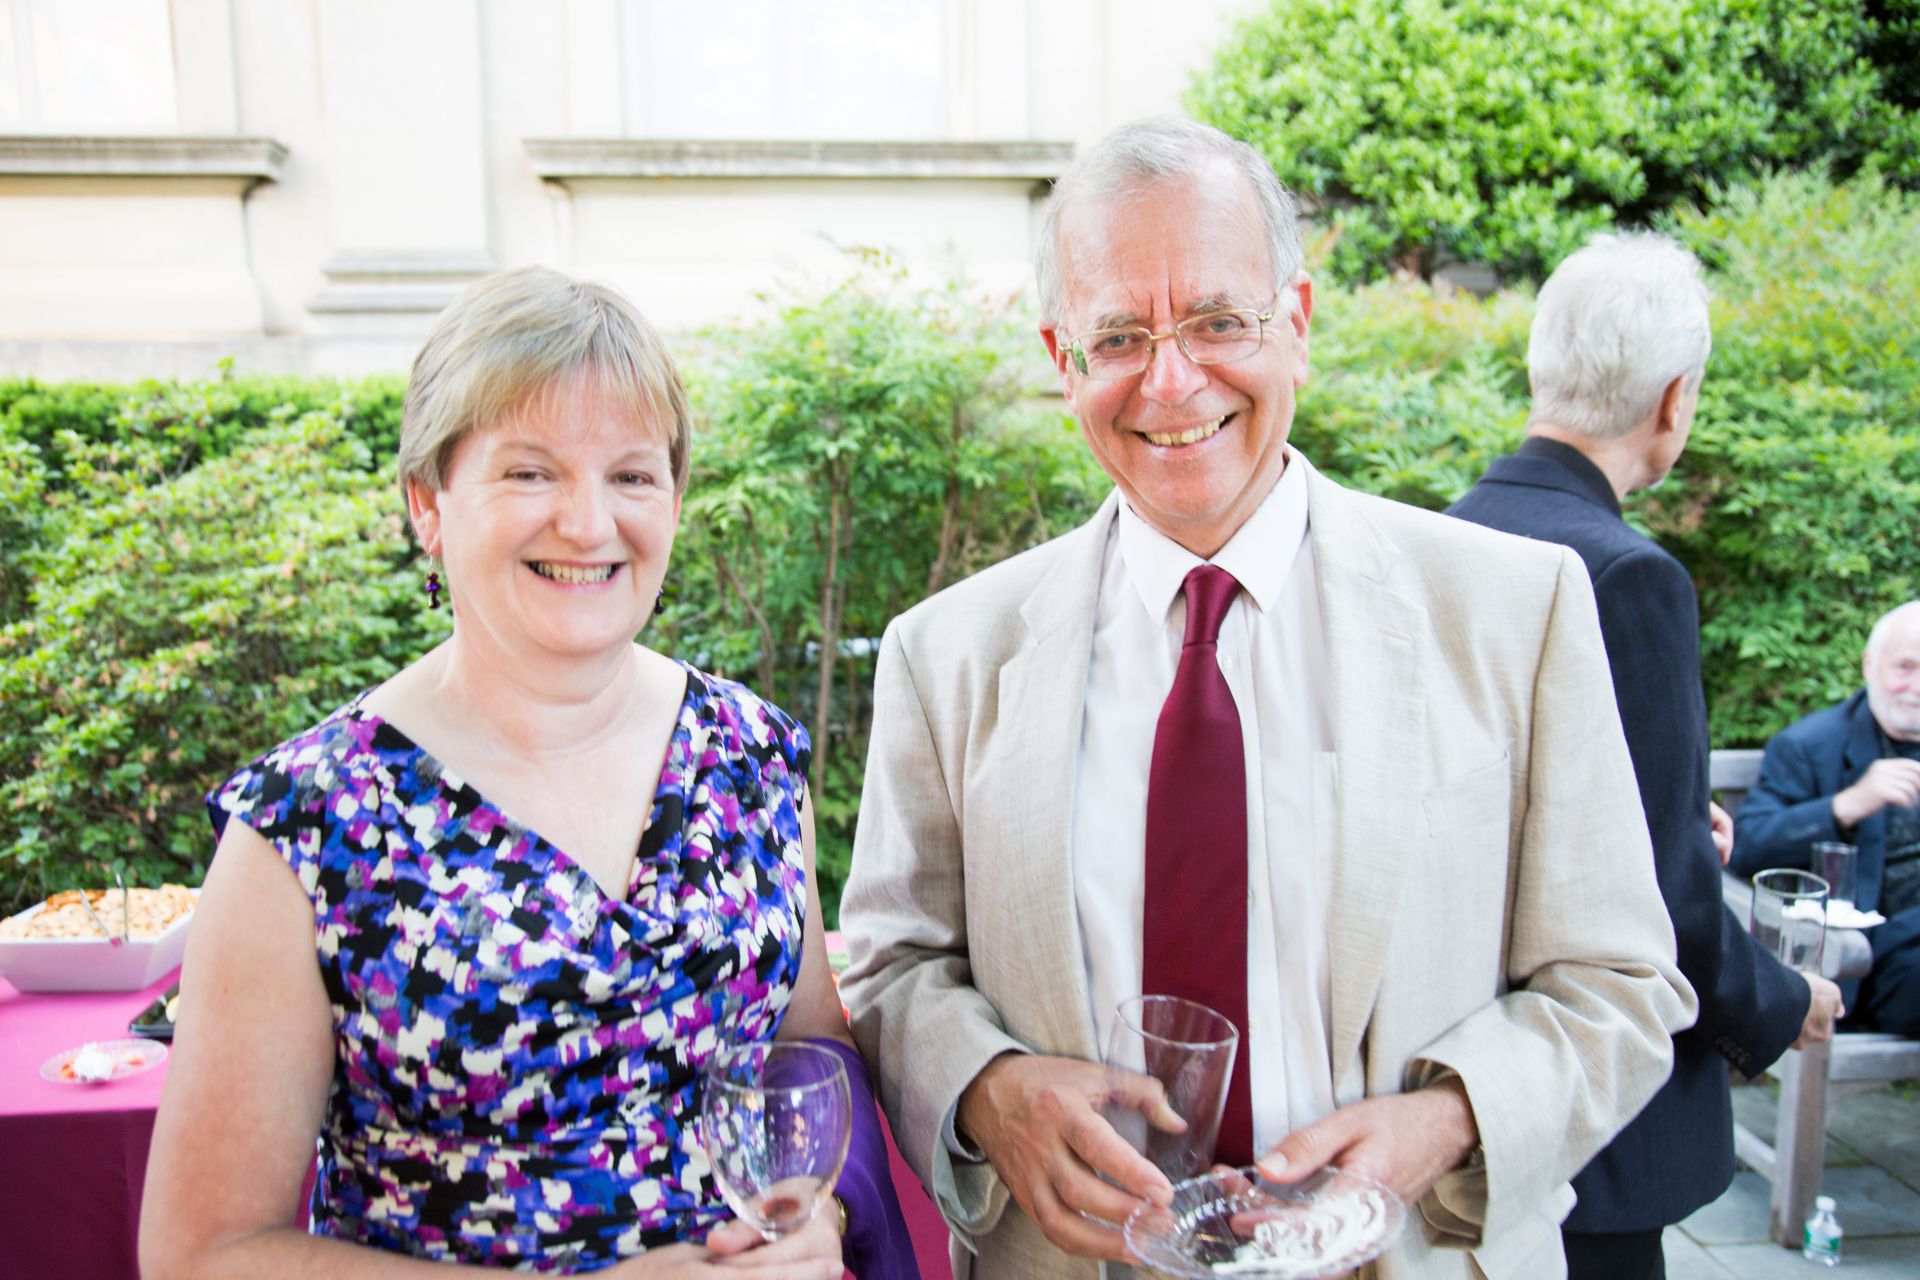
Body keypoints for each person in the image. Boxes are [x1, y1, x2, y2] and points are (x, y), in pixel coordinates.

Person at [837, 117, 1694, 1280]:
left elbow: (1621, 983)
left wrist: (1444, 1124)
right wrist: (987, 1089)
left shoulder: (1512, 609)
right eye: (1121, 334)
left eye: (1219, 321)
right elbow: (890, 969)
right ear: (1062, 357)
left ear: (1296, 323)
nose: (1173, 379)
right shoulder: (946, 655)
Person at [139, 267, 915, 1278]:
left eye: (632, 474)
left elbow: (810, 1046)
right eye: (530, 472)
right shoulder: (306, 825)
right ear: (429, 502)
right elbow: (204, 1251)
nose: (589, 523)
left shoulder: (750, 753)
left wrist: (823, 1208)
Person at [1446, 232, 1843, 1280]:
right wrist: (1781, 1002)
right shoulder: (1630, 575)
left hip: (1461, 1066)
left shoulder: (1440, 536)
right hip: (1593, 1112)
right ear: (1675, 400)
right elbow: (1660, 895)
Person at [1733, 600, 1920, 1037]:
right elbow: (1746, 847)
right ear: (1870, 665)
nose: (1916, 686)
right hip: (1876, 961)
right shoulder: (1811, 746)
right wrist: (1847, 804)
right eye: (1905, 668)